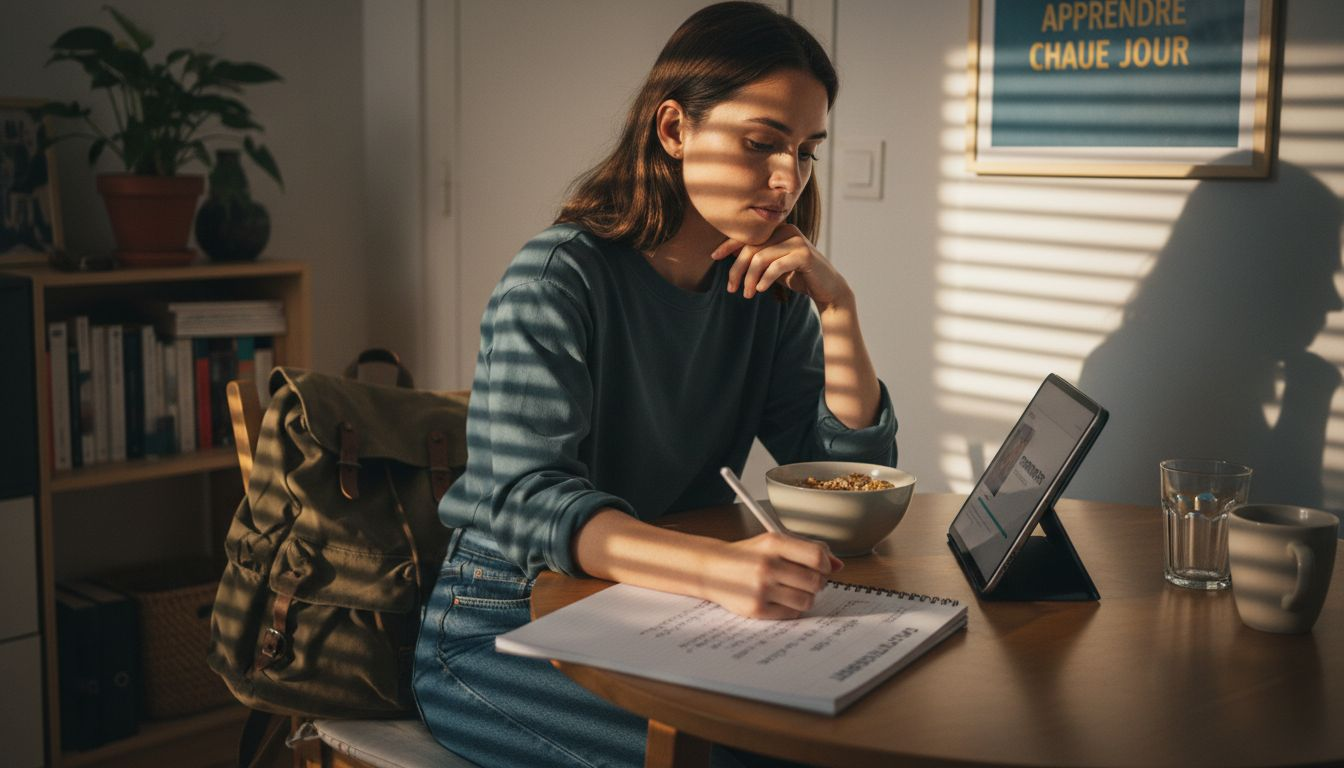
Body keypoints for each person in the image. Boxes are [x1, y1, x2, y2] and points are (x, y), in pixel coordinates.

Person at [413, 4, 898, 766]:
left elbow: (843, 481)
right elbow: (526, 495)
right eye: (762, 143)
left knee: (852, 736)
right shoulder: (557, 277)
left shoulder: (763, 287)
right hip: (499, 624)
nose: (787, 179)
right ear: (674, 131)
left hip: (650, 608)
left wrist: (839, 311)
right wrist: (716, 568)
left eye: (806, 151)